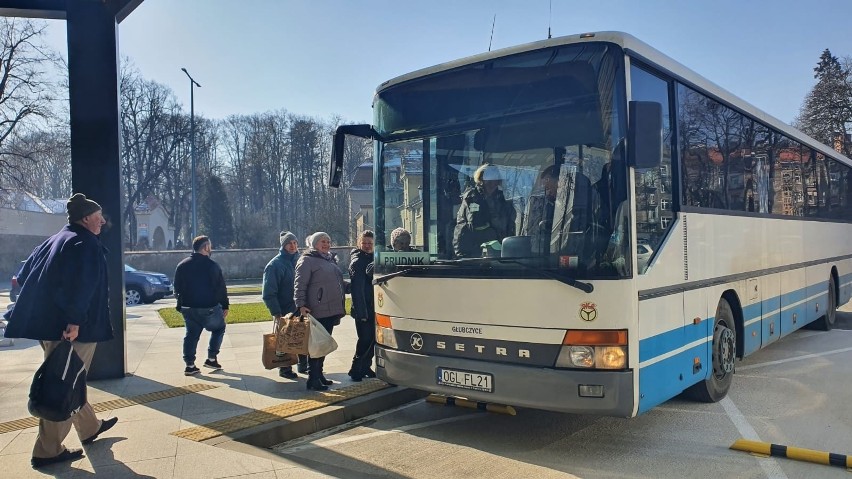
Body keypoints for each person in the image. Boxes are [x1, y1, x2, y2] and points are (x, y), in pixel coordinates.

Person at [3, 193, 118, 468]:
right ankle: (47, 450)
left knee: (69, 377)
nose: (102, 221)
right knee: (63, 385)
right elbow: (81, 287)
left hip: (51, 326)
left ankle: (89, 428)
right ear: (87, 218)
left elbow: (23, 276)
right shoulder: (85, 243)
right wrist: (74, 321)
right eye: (99, 216)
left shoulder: (54, 240)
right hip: (73, 329)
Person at [295, 232, 345, 391]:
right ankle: (313, 378)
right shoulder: (307, 260)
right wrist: (301, 305)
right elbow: (299, 285)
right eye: (323, 241)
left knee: (323, 344)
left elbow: (337, 281)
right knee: (316, 345)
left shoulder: (329, 259)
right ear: (315, 244)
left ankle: (319, 374)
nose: (326, 244)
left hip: (331, 309)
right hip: (317, 309)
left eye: (328, 241)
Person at [173, 235, 229, 376]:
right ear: (206, 247)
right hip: (208, 307)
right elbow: (220, 288)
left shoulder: (182, 265)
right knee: (219, 328)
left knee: (191, 335)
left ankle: (190, 365)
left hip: (188, 307)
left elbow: (177, 288)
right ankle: (211, 357)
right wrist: (225, 305)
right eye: (209, 246)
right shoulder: (212, 266)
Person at [262, 231, 308, 379]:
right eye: (289, 243)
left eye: (295, 243)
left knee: (302, 337)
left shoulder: (301, 260)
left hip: (300, 308)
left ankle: (303, 364)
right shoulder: (274, 265)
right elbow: (269, 292)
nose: (293, 246)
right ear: (283, 245)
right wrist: (276, 312)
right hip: (284, 310)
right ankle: (285, 368)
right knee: (284, 341)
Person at [453, 163, 516, 258]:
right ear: (481, 179)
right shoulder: (471, 197)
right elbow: (474, 224)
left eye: (495, 179)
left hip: (498, 251)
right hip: (472, 252)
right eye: (488, 179)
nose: (492, 182)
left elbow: (509, 225)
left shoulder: (503, 199)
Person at [348, 230, 376, 381]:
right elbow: (357, 290)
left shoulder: (372, 259)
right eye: (364, 243)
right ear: (359, 243)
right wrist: (362, 313)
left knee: (372, 340)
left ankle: (365, 367)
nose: (367, 245)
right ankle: (356, 369)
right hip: (363, 309)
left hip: (372, 307)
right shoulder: (358, 261)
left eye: (370, 243)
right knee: (365, 340)